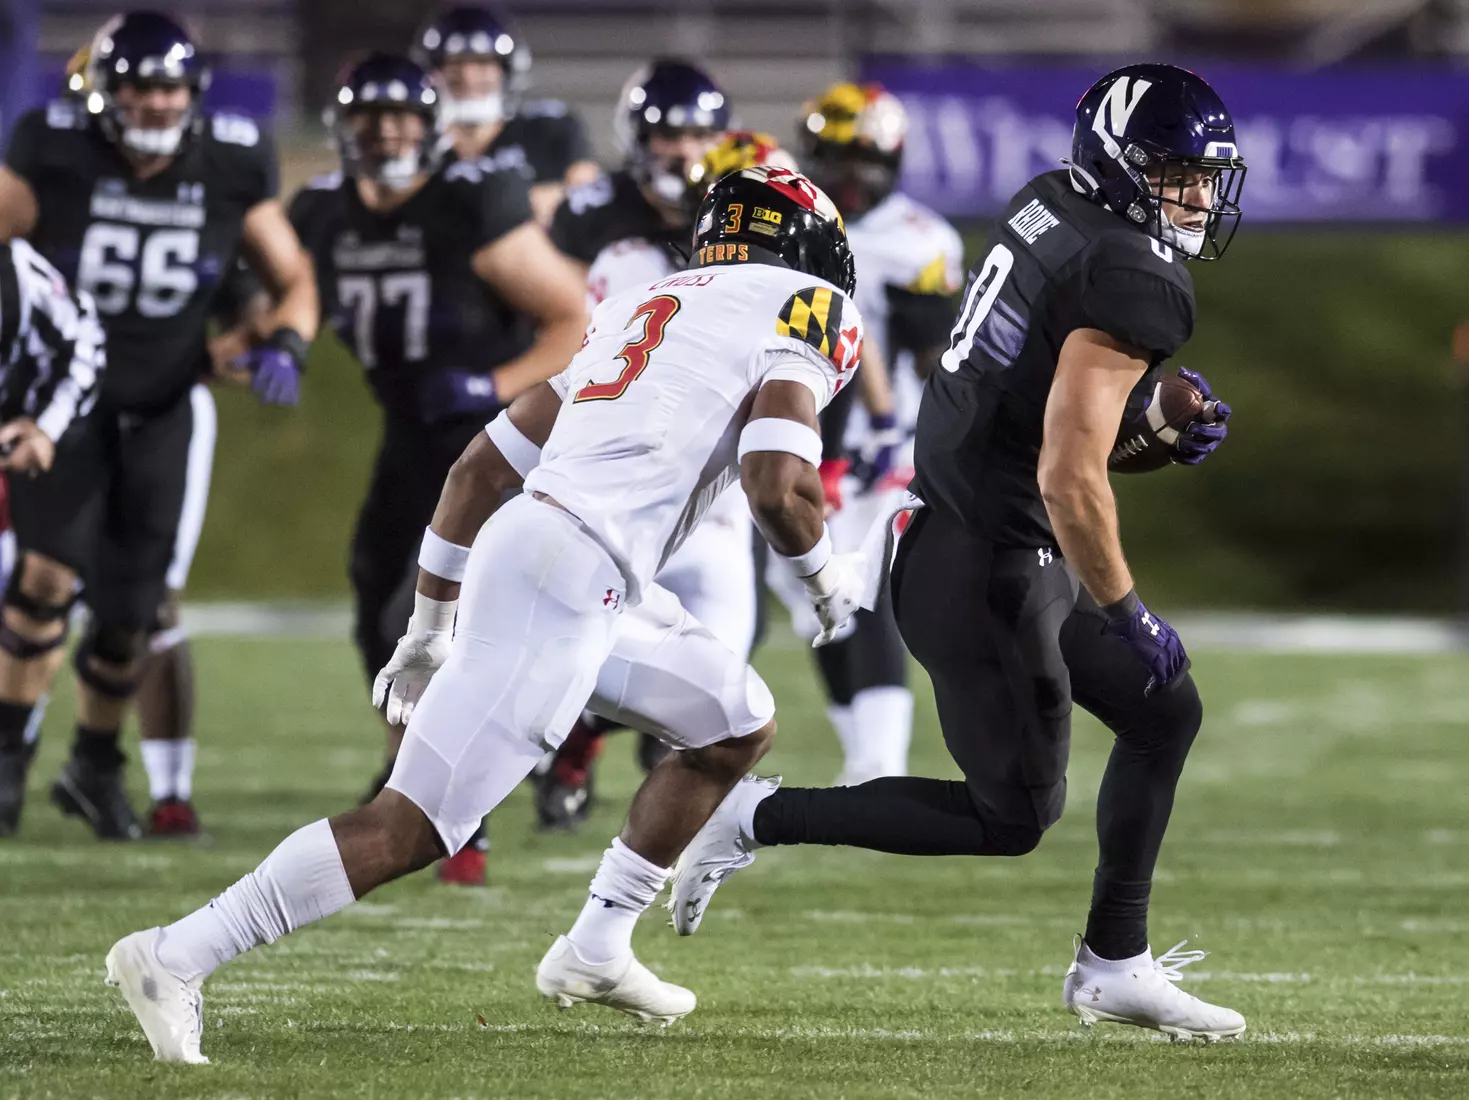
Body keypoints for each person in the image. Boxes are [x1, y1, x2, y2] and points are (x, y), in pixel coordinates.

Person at [105, 163, 866, 1063]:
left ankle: (595, 947)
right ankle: (176, 954)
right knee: (413, 826)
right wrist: (823, 578)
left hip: (555, 558)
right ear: (811, 247)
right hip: (572, 577)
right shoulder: (808, 305)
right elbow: (777, 483)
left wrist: (428, 627)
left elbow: (476, 470)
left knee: (732, 721)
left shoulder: (648, 303)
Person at [670, 64, 1248, 1043]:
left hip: (967, 529)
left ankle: (1114, 961)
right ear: (1117, 167)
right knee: (1011, 813)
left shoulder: (1051, 202)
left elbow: (1033, 412)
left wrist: (1143, 417)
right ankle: (749, 817)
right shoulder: (1133, 276)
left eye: (1201, 175)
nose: (1193, 195)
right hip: (987, 568)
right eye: (1171, 174)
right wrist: (1126, 609)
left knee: (1164, 710)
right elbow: (1068, 478)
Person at [0, 11, 317, 841]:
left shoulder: (229, 160)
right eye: (137, 86)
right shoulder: (53, 148)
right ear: (106, 92)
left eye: (168, 87)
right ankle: (5, 762)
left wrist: (284, 339)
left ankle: (94, 767)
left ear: (193, 95)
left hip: (164, 404)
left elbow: (292, 276)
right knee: (43, 578)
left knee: (131, 614)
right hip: (67, 403)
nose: (152, 103)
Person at [288, 53, 588, 884]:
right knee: (371, 597)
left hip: (487, 439)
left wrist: (487, 383)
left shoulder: (469, 202)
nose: (387, 135)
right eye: (371, 120)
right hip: (409, 429)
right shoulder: (324, 211)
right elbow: (288, 287)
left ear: (430, 128)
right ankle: (409, 773)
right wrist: (275, 337)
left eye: (403, 119)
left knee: (423, 609)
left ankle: (461, 807)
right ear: (343, 130)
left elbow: (576, 317)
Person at [534, 130, 795, 830]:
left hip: (716, 508)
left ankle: (627, 827)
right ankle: (574, 748)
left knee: (716, 693)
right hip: (636, 498)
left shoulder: (662, 265)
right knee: (606, 662)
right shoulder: (633, 263)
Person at [770, 82, 965, 785]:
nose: (852, 180)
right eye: (837, 160)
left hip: (881, 441)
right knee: (808, 597)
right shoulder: (784, 219)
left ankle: (876, 762)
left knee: (859, 586)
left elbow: (935, 357)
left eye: (867, 162)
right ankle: (862, 754)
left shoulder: (919, 240)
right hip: (792, 429)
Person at [0, 238, 108, 832]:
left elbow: (84, 340)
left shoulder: (18, 274)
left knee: (37, 587)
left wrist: (46, 425)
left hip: (20, 454)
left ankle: (9, 752)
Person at [416, 4, 600, 225]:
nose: (468, 76)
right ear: (433, 71)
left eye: (482, 62)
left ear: (506, 68)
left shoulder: (549, 128)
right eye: (454, 64)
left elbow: (589, 199)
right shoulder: (415, 141)